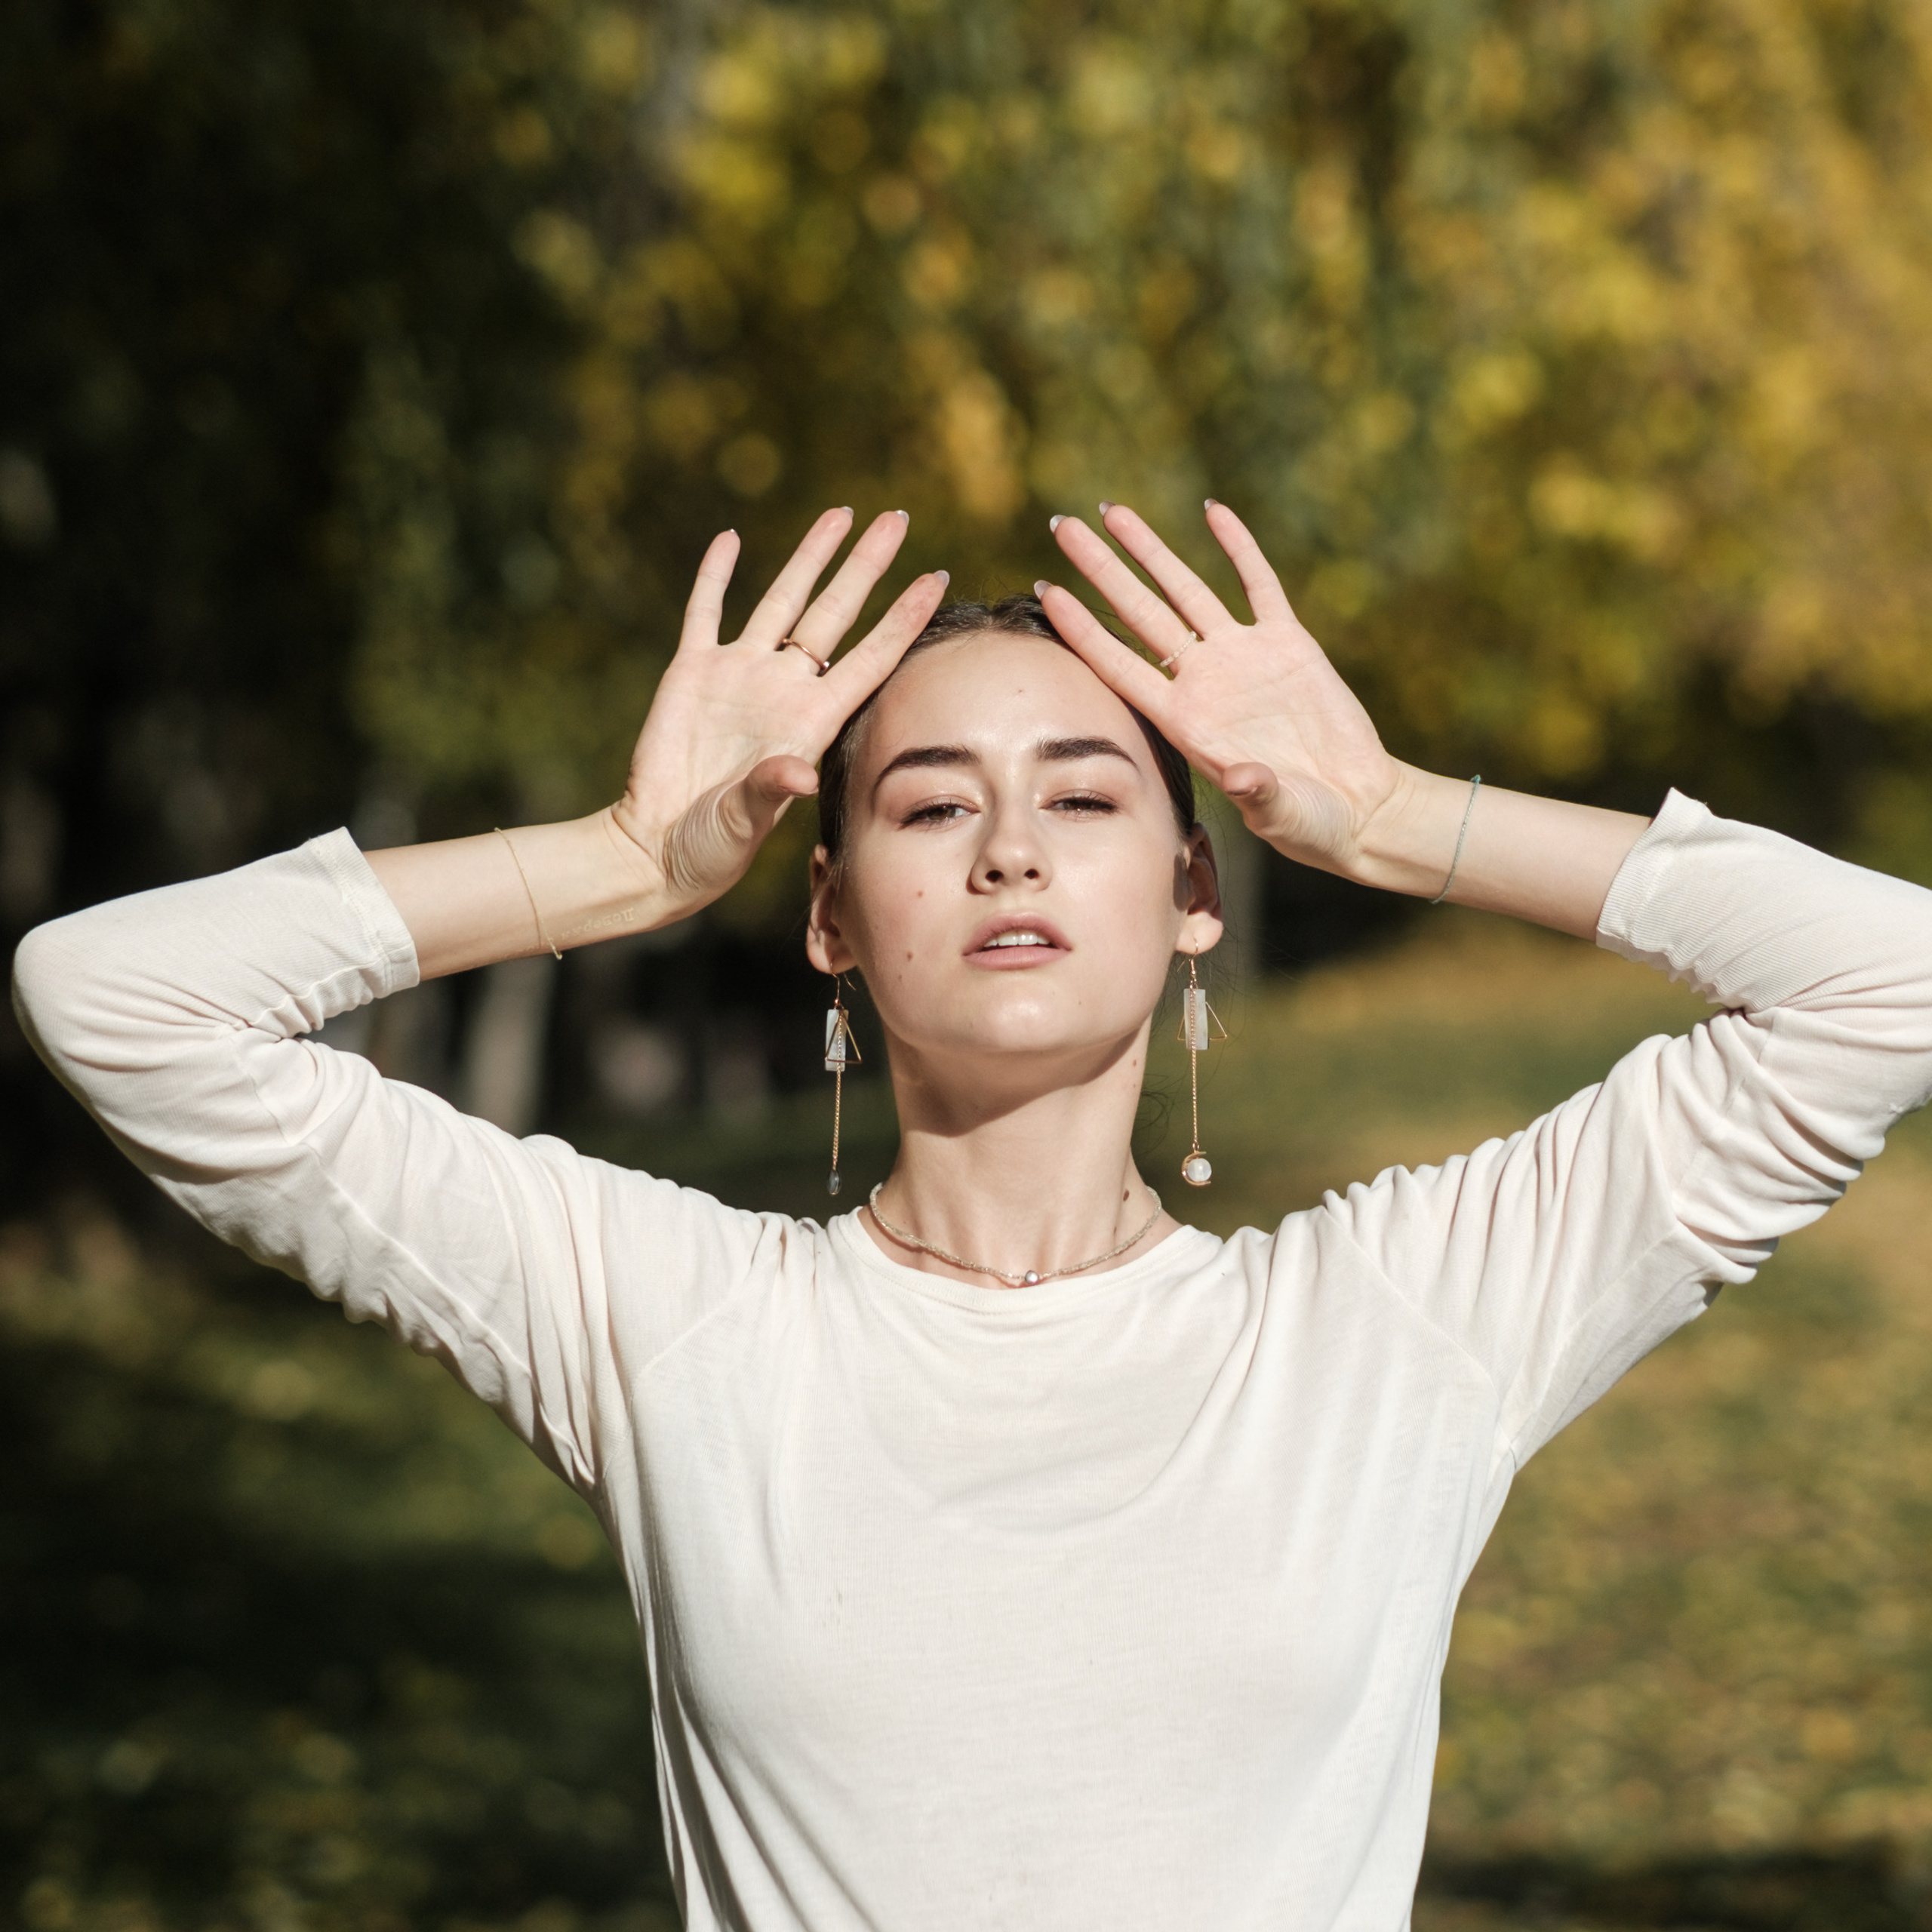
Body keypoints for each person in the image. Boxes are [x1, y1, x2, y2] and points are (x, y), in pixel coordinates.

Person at [14, 499, 1932, 1932]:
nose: (1009, 845)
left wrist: (1385, 810)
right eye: (930, 806)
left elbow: (1889, 980)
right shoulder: (673, 1317)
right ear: (830, 918)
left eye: (1080, 797)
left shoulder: (1397, 1320)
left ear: (1192, 887)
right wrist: (608, 862)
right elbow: (121, 998)